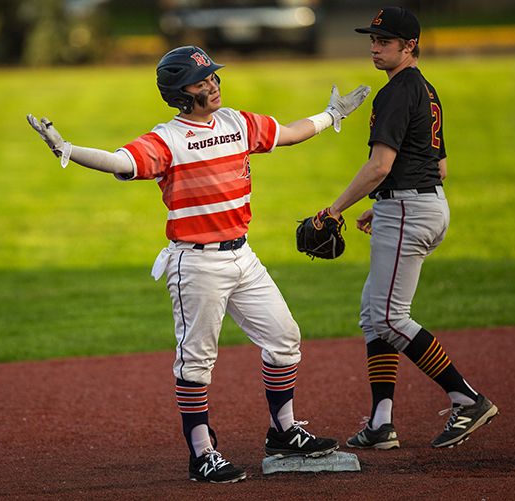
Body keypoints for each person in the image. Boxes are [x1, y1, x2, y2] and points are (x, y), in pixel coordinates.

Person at [27, 45, 370, 482]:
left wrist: (330, 116)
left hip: (243, 257)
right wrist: (68, 148)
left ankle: (284, 431)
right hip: (196, 265)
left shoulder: (237, 122)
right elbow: (120, 163)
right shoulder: (166, 139)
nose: (213, 85)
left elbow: (287, 132)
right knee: (196, 363)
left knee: (284, 339)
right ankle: (202, 453)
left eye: (213, 77)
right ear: (179, 93)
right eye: (202, 80)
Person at [317, 7, 498, 449]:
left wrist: (335, 209)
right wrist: (384, 207)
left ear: (409, 45)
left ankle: (467, 398)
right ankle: (382, 423)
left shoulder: (397, 91)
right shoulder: (426, 90)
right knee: (373, 315)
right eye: (373, 40)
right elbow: (439, 165)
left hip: (410, 212)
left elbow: (380, 166)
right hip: (423, 205)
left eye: (385, 42)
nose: (375, 48)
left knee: (388, 316)